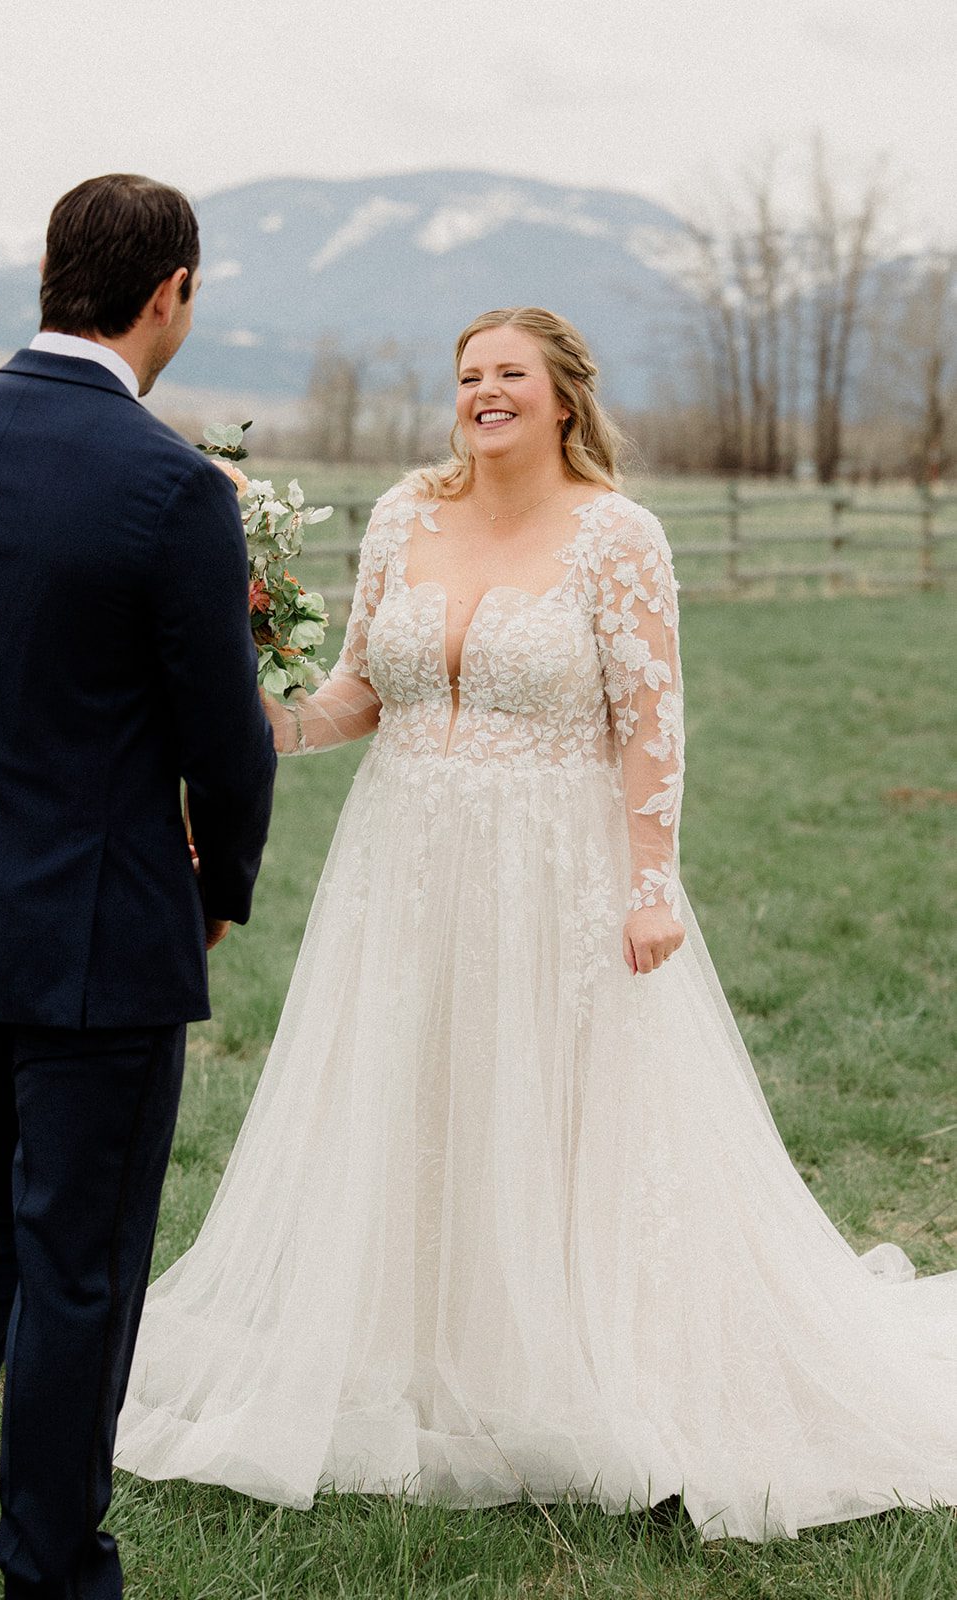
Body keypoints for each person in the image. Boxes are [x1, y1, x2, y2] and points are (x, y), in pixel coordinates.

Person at [116, 306, 957, 1541]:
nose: (482, 391)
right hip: (404, 858)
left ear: (562, 396)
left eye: (508, 373)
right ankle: (417, 1345)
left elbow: (651, 717)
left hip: (556, 867)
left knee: (559, 1109)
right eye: (466, 375)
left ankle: (571, 1361)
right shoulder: (405, 514)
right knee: (416, 1093)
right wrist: (245, 720)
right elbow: (359, 689)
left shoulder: (616, 536)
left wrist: (650, 880)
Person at [0, 175, 275, 1600]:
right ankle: (53, 1575)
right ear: (170, 290)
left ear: (53, 271)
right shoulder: (166, 485)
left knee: (3, 1210)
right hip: (97, 931)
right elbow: (224, 742)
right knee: (81, 1263)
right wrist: (219, 883)